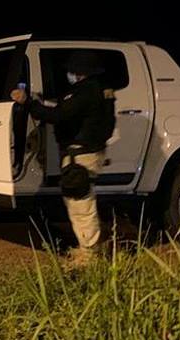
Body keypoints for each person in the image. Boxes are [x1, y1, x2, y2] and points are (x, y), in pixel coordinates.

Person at [11, 51, 116, 264]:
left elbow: (58, 115)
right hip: (89, 152)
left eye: (72, 71)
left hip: (80, 155)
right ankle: (88, 247)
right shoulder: (101, 89)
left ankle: (89, 256)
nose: (70, 74)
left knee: (81, 205)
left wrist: (28, 102)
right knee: (82, 201)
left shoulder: (85, 92)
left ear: (80, 72)